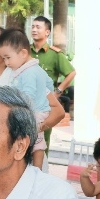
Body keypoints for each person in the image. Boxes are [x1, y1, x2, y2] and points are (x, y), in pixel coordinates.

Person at [0, 28, 53, 168]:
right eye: (3, 58)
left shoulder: (28, 72)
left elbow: (28, 96)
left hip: (35, 112)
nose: (6, 62)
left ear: (23, 53)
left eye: (8, 58)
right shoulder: (32, 69)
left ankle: (36, 169)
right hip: (36, 109)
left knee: (36, 141)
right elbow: (49, 84)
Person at [30, 16, 76, 149]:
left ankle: (41, 168)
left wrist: (58, 92)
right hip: (25, 103)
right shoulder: (25, 52)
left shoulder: (55, 54)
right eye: (32, 26)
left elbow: (71, 73)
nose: (34, 29)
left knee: (42, 144)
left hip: (44, 106)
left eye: (38, 27)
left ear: (47, 32)